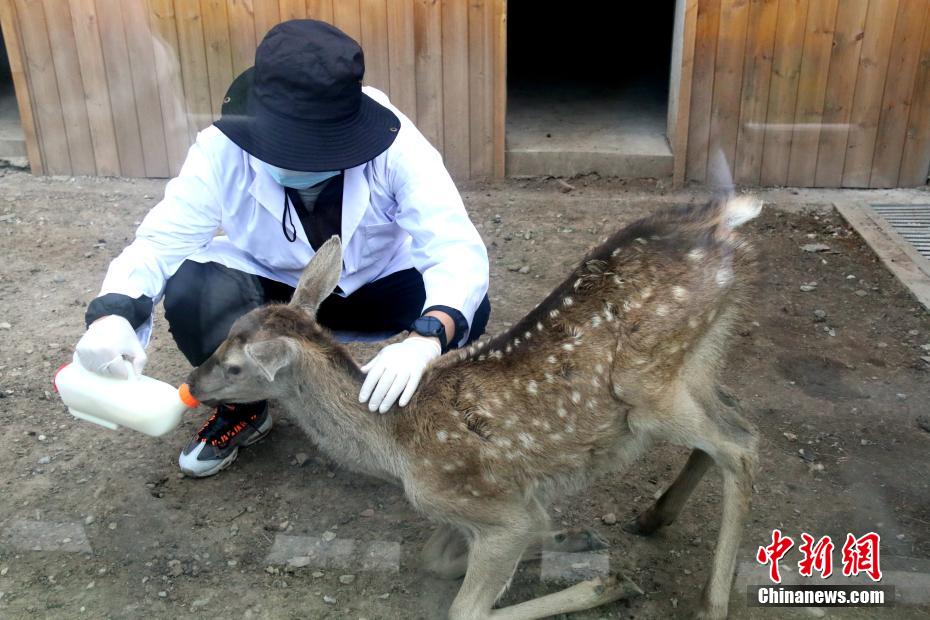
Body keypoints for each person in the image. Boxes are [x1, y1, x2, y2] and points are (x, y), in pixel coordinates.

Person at [72, 20, 490, 478]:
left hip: (382, 282)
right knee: (194, 289)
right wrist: (112, 316)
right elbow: (160, 242)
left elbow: (454, 248)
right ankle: (245, 409)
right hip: (279, 292)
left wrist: (425, 338)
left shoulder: (396, 144)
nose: (300, 160)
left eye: (318, 149)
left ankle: (433, 417)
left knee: (464, 310)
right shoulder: (220, 149)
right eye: (287, 146)